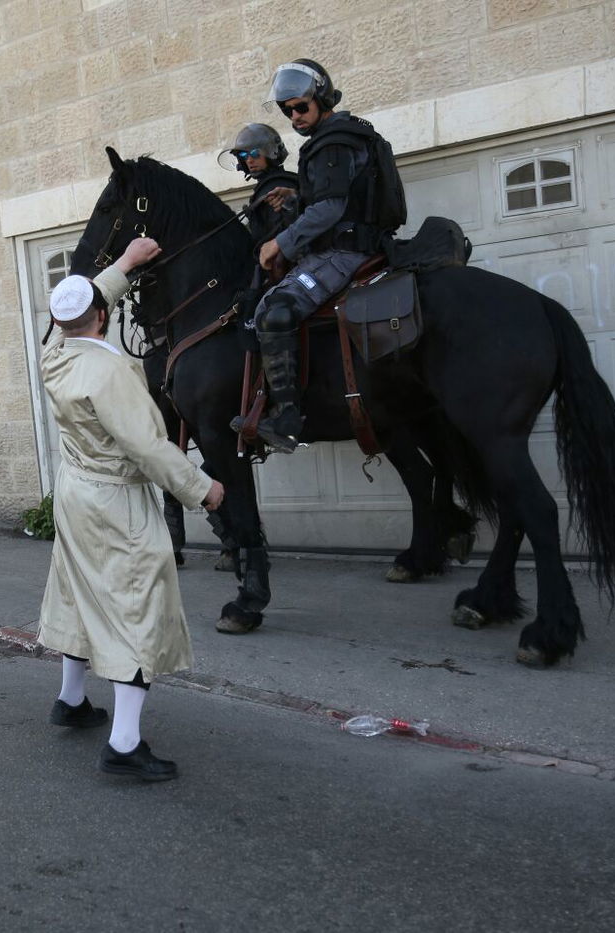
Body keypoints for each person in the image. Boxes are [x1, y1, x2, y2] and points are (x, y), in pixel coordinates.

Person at [37, 236, 224, 783]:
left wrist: (125, 263)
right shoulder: (111, 372)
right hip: (116, 500)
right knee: (136, 605)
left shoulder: (54, 353)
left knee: (79, 589)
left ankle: (71, 701)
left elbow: (88, 304)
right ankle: (124, 743)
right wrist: (202, 489)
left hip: (75, 491)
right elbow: (147, 447)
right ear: (101, 317)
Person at [242, 59, 406, 452]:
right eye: (287, 111)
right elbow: (346, 199)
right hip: (355, 243)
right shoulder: (346, 135)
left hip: (344, 252)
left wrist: (279, 243)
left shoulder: (332, 140)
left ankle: (286, 417)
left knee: (275, 309)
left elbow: (331, 210)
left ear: (322, 98)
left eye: (301, 107)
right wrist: (298, 197)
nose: (294, 116)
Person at [219, 123, 299, 251]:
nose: (249, 160)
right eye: (244, 156)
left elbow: (284, 234)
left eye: (255, 153)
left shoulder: (278, 185)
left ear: (270, 152)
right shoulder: (265, 186)